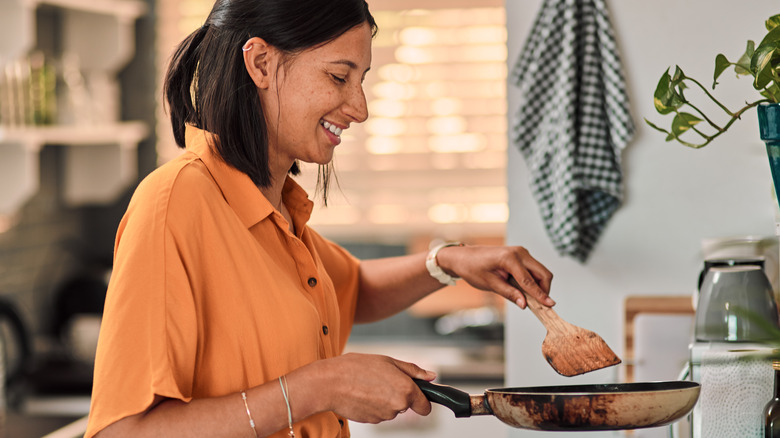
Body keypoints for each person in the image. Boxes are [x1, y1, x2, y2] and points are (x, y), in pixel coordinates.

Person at [85, 0, 555, 436]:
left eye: (362, 79)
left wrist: (450, 262)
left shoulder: (275, 206)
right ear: (261, 64)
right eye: (338, 77)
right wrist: (319, 387)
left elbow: (353, 288)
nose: (360, 108)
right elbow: (121, 432)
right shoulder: (176, 203)